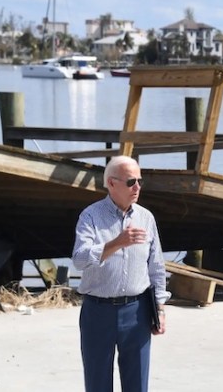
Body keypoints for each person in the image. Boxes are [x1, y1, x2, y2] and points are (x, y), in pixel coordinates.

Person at [72, 155, 170, 392]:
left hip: (137, 312)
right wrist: (116, 243)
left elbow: (156, 267)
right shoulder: (90, 216)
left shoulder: (146, 218)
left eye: (139, 181)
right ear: (111, 183)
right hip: (98, 312)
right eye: (130, 182)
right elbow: (79, 259)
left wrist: (160, 308)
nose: (137, 187)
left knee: (137, 385)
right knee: (98, 384)